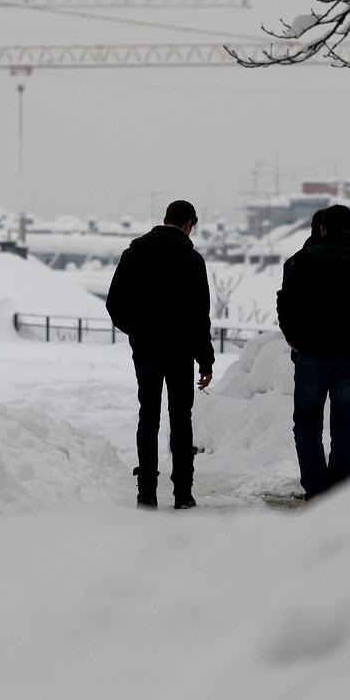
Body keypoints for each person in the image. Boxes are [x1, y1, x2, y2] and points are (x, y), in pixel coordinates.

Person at [106, 199, 214, 509]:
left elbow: (114, 303)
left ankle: (146, 493)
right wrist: (205, 359)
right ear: (188, 224)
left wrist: (137, 331)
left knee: (148, 415)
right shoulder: (192, 260)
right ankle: (183, 493)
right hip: (180, 351)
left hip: (146, 349)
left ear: (164, 218)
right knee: (181, 419)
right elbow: (199, 315)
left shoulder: (133, 255)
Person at [276, 204, 350, 500]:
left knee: (307, 426)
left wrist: (295, 339)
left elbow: (286, 304)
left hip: (311, 354)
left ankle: (316, 491)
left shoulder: (301, 262)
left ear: (322, 229)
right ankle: (343, 497)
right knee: (346, 428)